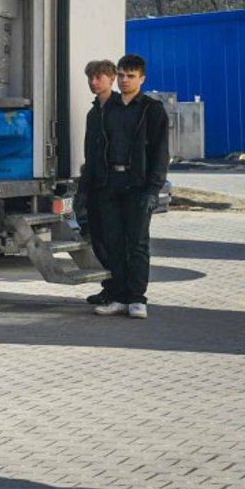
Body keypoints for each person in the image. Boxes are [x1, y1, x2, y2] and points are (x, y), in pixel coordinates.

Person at [87, 54, 170, 319]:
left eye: (130, 76)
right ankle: (119, 297)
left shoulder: (151, 109)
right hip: (109, 183)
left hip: (138, 186)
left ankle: (137, 299)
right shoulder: (106, 108)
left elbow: (160, 154)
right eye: (121, 75)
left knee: (137, 244)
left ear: (142, 79)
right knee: (113, 243)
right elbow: (95, 148)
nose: (124, 80)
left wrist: (152, 190)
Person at [75, 59, 119, 306]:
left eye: (98, 78)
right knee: (97, 238)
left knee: (115, 241)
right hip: (95, 183)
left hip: (114, 185)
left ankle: (120, 290)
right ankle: (110, 288)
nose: (93, 82)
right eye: (90, 78)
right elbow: (90, 152)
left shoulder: (120, 110)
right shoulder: (93, 113)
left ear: (111, 79)